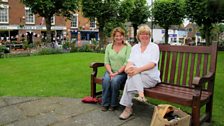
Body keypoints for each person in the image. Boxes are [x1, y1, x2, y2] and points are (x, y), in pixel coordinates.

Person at [119, 24, 161, 119]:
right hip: (137, 76)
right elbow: (130, 62)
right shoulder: (135, 48)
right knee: (131, 76)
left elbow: (152, 64)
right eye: (142, 34)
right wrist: (127, 69)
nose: (144, 36)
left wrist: (137, 70)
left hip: (150, 78)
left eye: (147, 34)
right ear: (138, 36)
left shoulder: (154, 47)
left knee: (130, 78)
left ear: (150, 35)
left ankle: (128, 108)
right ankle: (141, 96)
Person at [102, 27, 131, 111]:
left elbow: (127, 62)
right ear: (113, 37)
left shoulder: (127, 47)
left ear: (123, 36)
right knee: (106, 80)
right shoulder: (109, 47)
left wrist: (116, 73)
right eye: (117, 36)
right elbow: (106, 62)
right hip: (110, 71)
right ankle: (105, 103)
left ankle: (114, 104)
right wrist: (111, 72)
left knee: (115, 81)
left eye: (121, 35)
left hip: (122, 72)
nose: (119, 38)